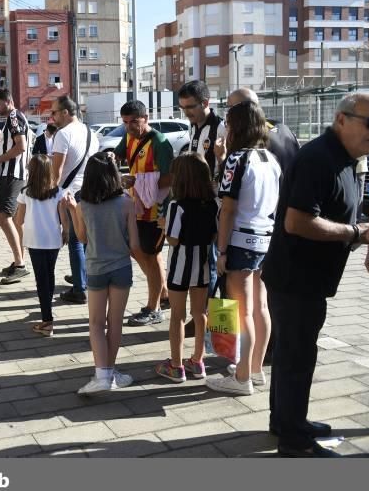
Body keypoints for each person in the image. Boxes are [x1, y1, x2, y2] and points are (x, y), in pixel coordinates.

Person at [263, 92, 369, 458]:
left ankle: (286, 422)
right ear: (342, 119)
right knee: (297, 358)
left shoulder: (343, 157)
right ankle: (294, 442)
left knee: (289, 354)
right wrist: (356, 234)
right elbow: (298, 221)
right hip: (297, 278)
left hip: (303, 278)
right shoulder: (318, 158)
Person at [206, 100, 281, 397]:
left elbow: (228, 209)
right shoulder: (270, 158)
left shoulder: (237, 159)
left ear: (236, 126)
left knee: (243, 310)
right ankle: (255, 369)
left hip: (240, 240)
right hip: (266, 238)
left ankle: (240, 378)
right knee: (261, 306)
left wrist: (222, 250)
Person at [63, 152, 139, 394]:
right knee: (115, 322)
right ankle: (110, 370)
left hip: (95, 268)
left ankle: (102, 374)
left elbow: (83, 238)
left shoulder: (84, 205)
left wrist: (74, 211)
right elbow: (135, 245)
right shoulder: (127, 203)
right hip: (121, 268)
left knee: (95, 323)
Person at [155, 153, 217, 383]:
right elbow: (213, 234)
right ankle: (198, 361)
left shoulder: (176, 206)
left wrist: (163, 226)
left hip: (180, 268)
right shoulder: (212, 203)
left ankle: (176, 365)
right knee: (200, 314)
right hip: (202, 265)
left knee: (177, 317)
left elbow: (173, 239)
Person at [114, 100, 173, 325]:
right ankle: (162, 293)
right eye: (125, 122)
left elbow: (170, 177)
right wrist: (111, 161)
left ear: (146, 118)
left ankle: (154, 308)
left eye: (134, 122)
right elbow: (118, 155)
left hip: (156, 209)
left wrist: (138, 181)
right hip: (137, 206)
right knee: (141, 251)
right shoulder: (129, 136)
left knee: (151, 254)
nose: (129, 126)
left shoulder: (160, 142)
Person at [178, 81, 226, 302]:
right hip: (196, 205)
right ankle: (200, 314)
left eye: (190, 107)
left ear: (205, 102)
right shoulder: (193, 126)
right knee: (201, 262)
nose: (186, 113)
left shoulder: (222, 128)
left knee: (211, 261)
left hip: (216, 207)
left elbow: (227, 168)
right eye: (183, 108)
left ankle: (205, 315)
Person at [51, 94, 99, 304]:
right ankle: (85, 277)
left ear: (65, 112)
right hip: (90, 192)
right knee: (87, 240)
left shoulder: (63, 134)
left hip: (70, 193)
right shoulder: (91, 132)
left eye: (54, 112)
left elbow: (57, 170)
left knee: (75, 241)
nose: (51, 117)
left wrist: (51, 192)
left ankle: (80, 288)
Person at [15, 154, 68, 336]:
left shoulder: (25, 193)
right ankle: (48, 309)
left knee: (41, 278)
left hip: (34, 240)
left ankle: (47, 320)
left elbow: (18, 220)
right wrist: (65, 232)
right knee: (50, 274)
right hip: (53, 239)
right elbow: (63, 218)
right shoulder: (58, 192)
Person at [0, 90, 31, 284]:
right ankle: (18, 262)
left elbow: (20, 146)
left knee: (3, 217)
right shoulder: (16, 118)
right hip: (17, 175)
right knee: (13, 220)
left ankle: (20, 264)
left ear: (9, 101)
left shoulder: (14, 117)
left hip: (12, 175)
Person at [227, 88, 300, 175]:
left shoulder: (253, 137)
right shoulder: (282, 128)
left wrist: (222, 159)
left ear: (242, 109)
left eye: (229, 107)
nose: (227, 113)